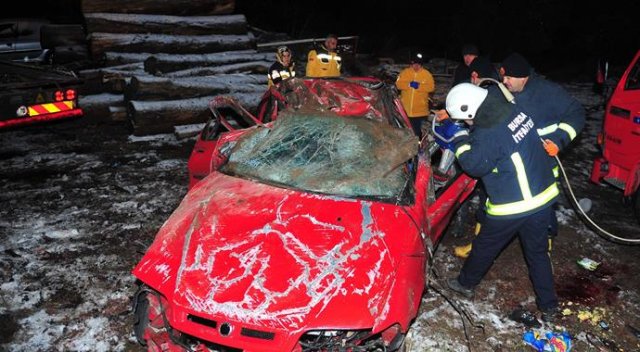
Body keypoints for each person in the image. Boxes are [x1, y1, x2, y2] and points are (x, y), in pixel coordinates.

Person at [444, 82, 562, 323]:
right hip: (541, 197)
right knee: (538, 253)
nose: (467, 124)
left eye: (465, 120)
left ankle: (464, 283)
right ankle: (549, 305)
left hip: (514, 204)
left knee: (485, 246)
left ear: (470, 110)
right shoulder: (513, 110)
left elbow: (474, 165)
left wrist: (459, 141)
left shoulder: (488, 132)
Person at [499, 52, 586, 252]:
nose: (505, 82)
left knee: (542, 202)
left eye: (508, 78)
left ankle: (546, 237)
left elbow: (577, 113)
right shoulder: (506, 91)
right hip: (515, 162)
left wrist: (559, 139)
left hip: (543, 161)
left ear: (523, 76)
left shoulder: (548, 92)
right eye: (503, 78)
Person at [395, 52, 435, 140]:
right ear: (411, 64)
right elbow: (398, 84)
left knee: (419, 134)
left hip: (420, 111)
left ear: (421, 64)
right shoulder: (404, 73)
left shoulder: (427, 74)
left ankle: (419, 149)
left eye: (418, 64)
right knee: (406, 133)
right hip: (406, 110)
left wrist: (419, 86)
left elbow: (431, 87)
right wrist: (409, 84)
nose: (416, 66)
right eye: (414, 64)